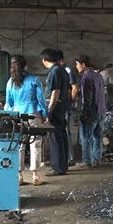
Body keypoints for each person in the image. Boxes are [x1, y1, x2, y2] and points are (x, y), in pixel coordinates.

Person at [4, 55, 47, 185]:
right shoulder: (34, 80)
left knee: (19, 145)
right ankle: (35, 175)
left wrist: (9, 115)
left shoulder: (10, 82)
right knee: (36, 144)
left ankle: (19, 176)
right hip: (33, 114)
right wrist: (45, 114)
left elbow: (9, 102)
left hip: (17, 116)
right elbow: (41, 100)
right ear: (25, 66)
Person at [41, 48, 70, 176]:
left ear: (45, 60)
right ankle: (63, 166)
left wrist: (49, 110)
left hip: (56, 108)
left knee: (55, 137)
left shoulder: (55, 71)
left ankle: (58, 167)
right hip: (62, 106)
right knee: (61, 135)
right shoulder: (62, 70)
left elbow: (55, 91)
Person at [75, 55, 106, 168]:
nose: (76, 67)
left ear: (83, 64)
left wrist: (84, 112)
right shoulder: (99, 76)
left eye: (77, 64)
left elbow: (86, 98)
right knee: (98, 137)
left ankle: (86, 161)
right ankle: (96, 160)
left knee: (85, 138)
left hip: (91, 112)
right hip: (101, 111)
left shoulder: (86, 78)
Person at [58, 50, 79, 166]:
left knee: (66, 131)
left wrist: (70, 102)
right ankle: (62, 157)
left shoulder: (67, 71)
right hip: (60, 105)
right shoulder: (59, 70)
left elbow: (74, 88)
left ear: (61, 60)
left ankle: (70, 157)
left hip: (65, 105)